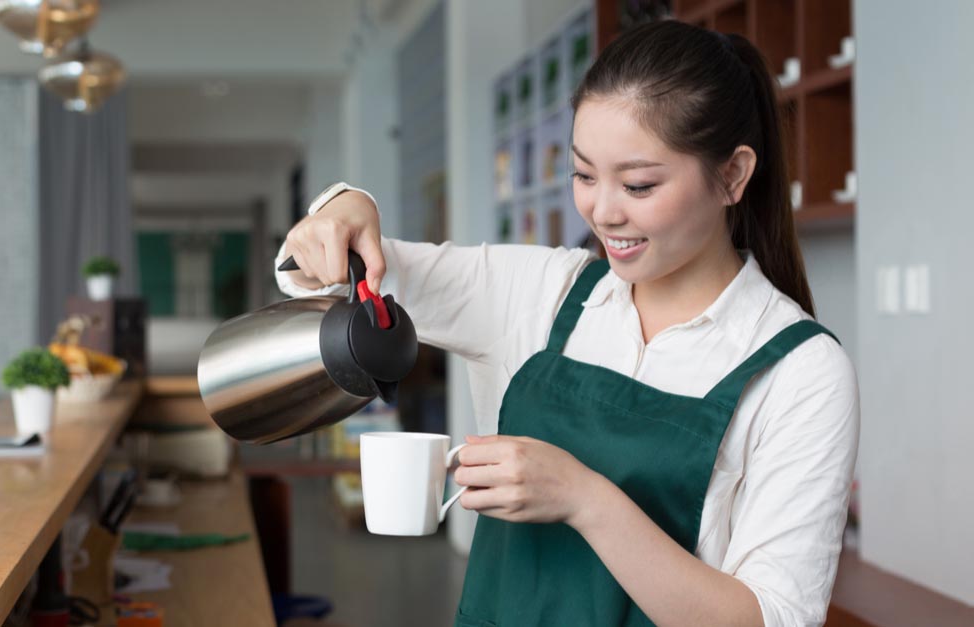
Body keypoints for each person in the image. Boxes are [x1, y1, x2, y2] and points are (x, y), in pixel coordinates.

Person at [275, 20, 859, 627]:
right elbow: (324, 274)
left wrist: (586, 500)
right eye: (584, 175)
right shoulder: (539, 291)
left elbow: (774, 618)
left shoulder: (802, 373)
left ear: (733, 175)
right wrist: (345, 208)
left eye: (638, 184)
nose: (602, 212)